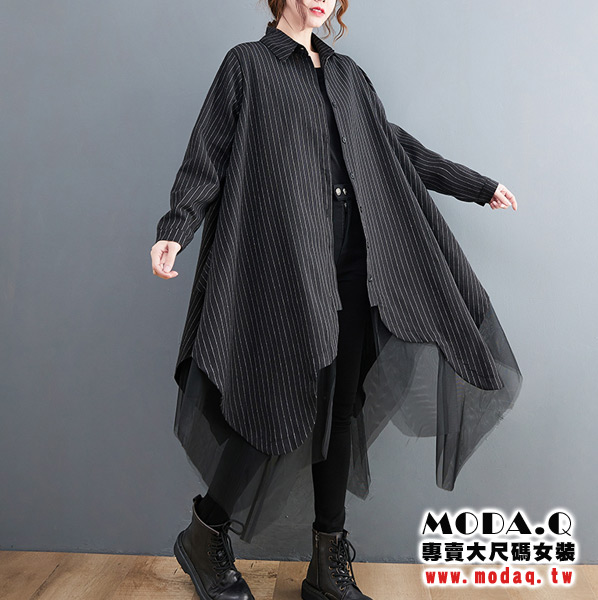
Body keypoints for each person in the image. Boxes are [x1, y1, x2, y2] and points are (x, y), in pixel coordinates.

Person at [150, 1, 522, 599]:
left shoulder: (348, 75)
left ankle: (327, 563)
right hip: (286, 268)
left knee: (340, 410)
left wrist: (475, 186)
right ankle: (205, 532)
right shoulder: (248, 66)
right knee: (272, 396)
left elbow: (394, 148)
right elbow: (207, 156)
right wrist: (176, 228)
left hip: (355, 264)